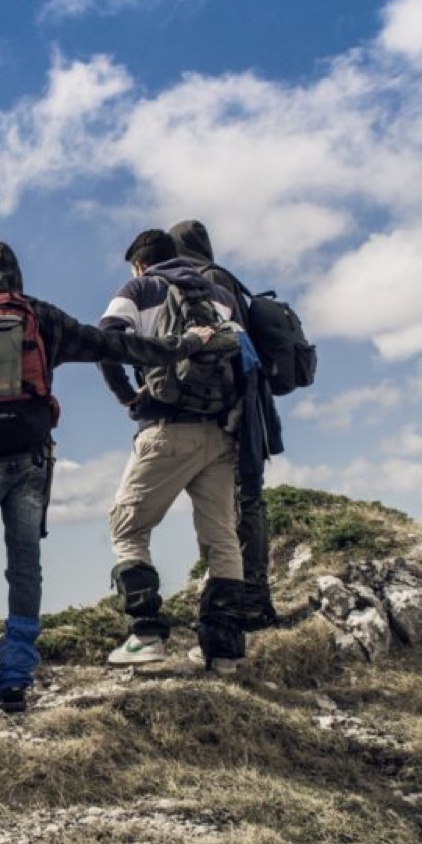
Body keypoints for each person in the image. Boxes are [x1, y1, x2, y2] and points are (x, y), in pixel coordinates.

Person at [0, 240, 213, 714]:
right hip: (30, 463)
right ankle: (12, 685)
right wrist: (185, 345)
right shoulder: (41, 315)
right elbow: (113, 344)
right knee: (24, 569)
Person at [98, 229, 249, 672]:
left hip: (167, 428)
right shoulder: (219, 295)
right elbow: (242, 358)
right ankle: (223, 651)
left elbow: (106, 341)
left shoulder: (139, 288)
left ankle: (145, 635)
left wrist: (129, 397)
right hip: (220, 432)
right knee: (221, 537)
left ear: (140, 264)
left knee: (127, 527)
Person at [168, 219, 285, 630]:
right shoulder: (225, 278)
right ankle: (249, 596)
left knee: (239, 500)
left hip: (230, 411)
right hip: (249, 404)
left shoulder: (202, 281)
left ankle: (245, 600)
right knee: (242, 498)